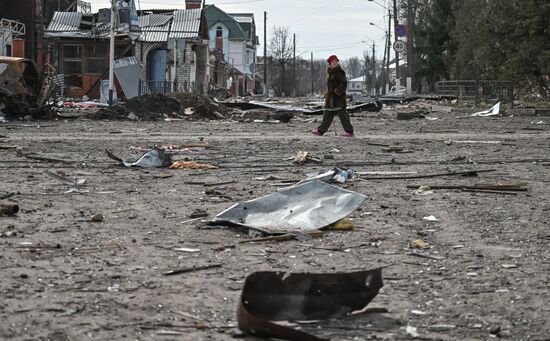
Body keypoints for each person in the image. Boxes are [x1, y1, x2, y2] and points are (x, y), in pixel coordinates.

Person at [311, 55, 354, 137]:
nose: (335, 63)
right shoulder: (329, 72)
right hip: (330, 98)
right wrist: (327, 93)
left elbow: (343, 84)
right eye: (333, 62)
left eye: (336, 61)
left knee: (343, 115)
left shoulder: (340, 72)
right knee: (327, 115)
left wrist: (337, 91)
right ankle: (320, 131)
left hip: (338, 98)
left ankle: (349, 132)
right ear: (330, 63)